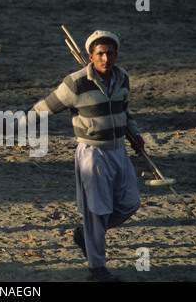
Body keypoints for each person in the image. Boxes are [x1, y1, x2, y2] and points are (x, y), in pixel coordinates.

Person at [27, 30, 144, 281]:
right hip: (93, 154)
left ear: (116, 55)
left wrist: (135, 134)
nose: (105, 58)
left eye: (109, 53)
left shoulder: (122, 78)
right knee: (97, 211)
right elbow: (44, 108)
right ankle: (96, 268)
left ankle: (86, 232)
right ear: (90, 56)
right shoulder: (75, 83)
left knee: (130, 203)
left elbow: (124, 112)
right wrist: (11, 123)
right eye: (100, 53)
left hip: (119, 151)